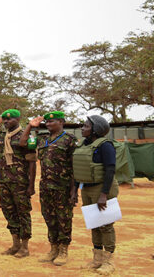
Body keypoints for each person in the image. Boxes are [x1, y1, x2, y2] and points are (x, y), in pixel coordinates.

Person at [20, 111, 77, 266]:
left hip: (63, 187)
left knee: (63, 219)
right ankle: (53, 248)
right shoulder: (42, 139)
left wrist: (74, 191)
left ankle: (63, 250)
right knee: (49, 218)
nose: (49, 124)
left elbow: (74, 167)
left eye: (53, 122)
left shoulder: (69, 139)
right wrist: (30, 126)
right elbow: (23, 143)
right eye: (47, 122)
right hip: (46, 186)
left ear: (61, 122)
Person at [0, 109, 36, 258]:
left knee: (23, 213)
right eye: (4, 120)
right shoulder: (0, 137)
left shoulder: (25, 136)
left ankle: (25, 247)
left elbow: (32, 162)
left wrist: (31, 185)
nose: (6, 122)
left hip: (20, 182)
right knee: (9, 212)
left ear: (18, 120)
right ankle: (15, 244)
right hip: (5, 182)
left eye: (9, 120)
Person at [74, 115, 118, 274]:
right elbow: (78, 169)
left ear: (95, 130)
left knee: (106, 225)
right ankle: (97, 259)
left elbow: (110, 170)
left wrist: (104, 194)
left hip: (102, 189)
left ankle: (109, 261)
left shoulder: (105, 146)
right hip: (86, 188)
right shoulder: (84, 145)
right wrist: (74, 192)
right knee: (94, 224)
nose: (82, 128)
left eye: (85, 126)